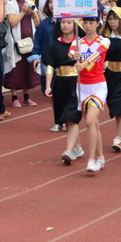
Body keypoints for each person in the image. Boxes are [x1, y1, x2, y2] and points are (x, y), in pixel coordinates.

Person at [69, 15, 110, 172]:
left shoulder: (104, 40)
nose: (87, 26)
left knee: (90, 120)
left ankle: (91, 159)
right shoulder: (77, 42)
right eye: (85, 23)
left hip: (98, 85)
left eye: (91, 23)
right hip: (82, 86)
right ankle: (100, 158)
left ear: (97, 23)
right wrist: (74, 56)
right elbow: (71, 52)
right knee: (93, 123)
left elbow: (98, 53)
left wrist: (84, 62)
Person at [44, 18, 83, 166]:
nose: (65, 25)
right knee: (66, 118)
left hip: (76, 82)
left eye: (69, 22)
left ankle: (69, 150)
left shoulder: (80, 43)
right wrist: (48, 85)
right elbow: (50, 65)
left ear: (75, 25)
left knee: (72, 116)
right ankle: (77, 147)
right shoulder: (55, 44)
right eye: (63, 22)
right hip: (60, 82)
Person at [100, 7, 121, 152]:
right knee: (113, 105)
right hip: (110, 74)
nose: (112, 22)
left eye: (115, 19)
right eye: (110, 19)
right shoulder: (105, 38)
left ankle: (118, 138)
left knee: (120, 106)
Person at [4, 0, 41, 107]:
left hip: (30, 41)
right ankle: (14, 97)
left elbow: (38, 23)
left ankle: (26, 96)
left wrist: (33, 14)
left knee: (28, 69)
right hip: (16, 42)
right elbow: (12, 22)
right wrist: (23, 12)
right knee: (16, 68)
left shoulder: (30, 3)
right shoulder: (10, 4)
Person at [30, 0, 58, 127]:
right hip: (48, 64)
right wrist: (36, 57)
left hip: (64, 65)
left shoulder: (68, 23)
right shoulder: (44, 24)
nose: (52, 5)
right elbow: (37, 43)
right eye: (50, 2)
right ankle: (58, 121)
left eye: (55, 2)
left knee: (63, 94)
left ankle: (64, 120)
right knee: (52, 94)